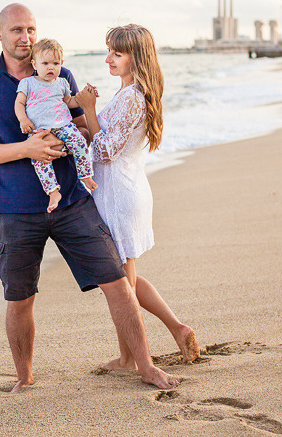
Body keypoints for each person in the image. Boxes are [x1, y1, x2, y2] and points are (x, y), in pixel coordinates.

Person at [0, 4, 177, 393]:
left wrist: (76, 134)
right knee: (19, 298)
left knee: (116, 280)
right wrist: (26, 148)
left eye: (31, 29)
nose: (25, 38)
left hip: (75, 203)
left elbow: (82, 123)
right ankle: (25, 377)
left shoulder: (61, 73)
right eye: (16, 30)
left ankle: (145, 366)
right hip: (16, 210)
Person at [75, 24, 201, 370]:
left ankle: (130, 359)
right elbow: (103, 138)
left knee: (122, 286)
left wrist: (87, 109)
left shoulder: (133, 96)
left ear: (137, 56)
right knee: (123, 280)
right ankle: (176, 329)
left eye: (117, 53)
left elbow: (104, 150)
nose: (108, 59)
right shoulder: (126, 93)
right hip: (120, 191)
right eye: (109, 51)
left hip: (121, 196)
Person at [15, 38, 97, 213]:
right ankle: (53, 191)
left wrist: (84, 96)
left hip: (64, 125)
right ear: (34, 64)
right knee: (40, 160)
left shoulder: (62, 83)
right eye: (45, 63)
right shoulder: (28, 83)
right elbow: (19, 104)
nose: (50, 67)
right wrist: (23, 120)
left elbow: (70, 101)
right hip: (40, 130)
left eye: (55, 63)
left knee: (80, 143)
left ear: (61, 64)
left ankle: (85, 175)